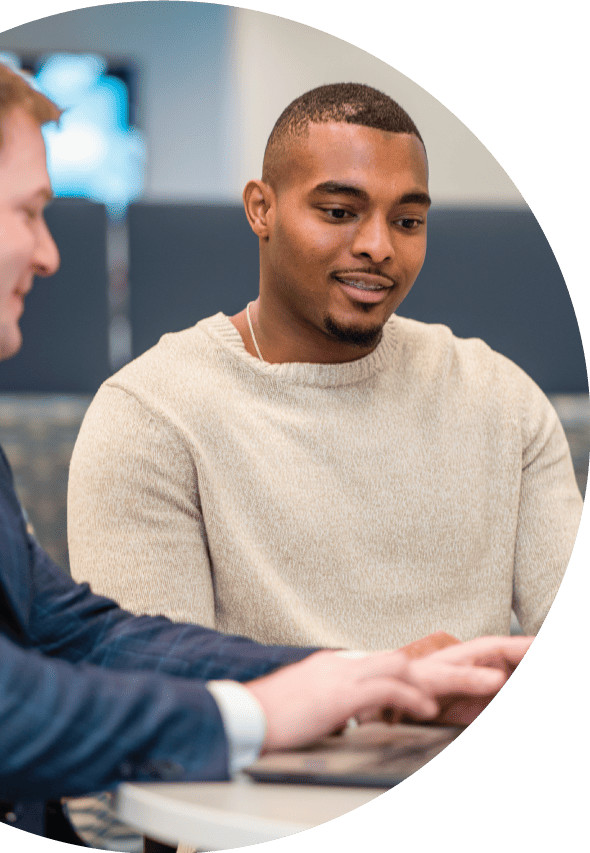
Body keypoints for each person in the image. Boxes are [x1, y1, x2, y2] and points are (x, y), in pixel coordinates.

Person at [0, 52, 531, 845]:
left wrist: (358, 677)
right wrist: (251, 713)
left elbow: (82, 635)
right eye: (30, 211)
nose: (49, 253)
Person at [67, 83, 583, 652]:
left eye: (408, 222)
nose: (378, 246)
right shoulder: (152, 414)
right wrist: (384, 688)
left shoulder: (500, 399)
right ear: (261, 209)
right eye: (339, 212)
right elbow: (161, 697)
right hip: (275, 744)